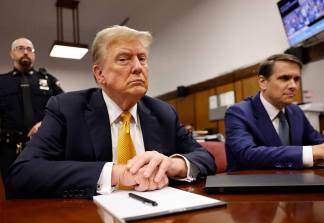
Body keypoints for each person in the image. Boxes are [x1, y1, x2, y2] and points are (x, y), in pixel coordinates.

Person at [6, 26, 215, 198]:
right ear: (99, 74)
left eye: (142, 58)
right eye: (124, 59)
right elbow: (22, 173)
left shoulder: (163, 112)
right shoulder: (66, 109)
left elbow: (205, 158)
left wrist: (172, 165)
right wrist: (116, 174)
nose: (137, 67)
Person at [224, 53, 324, 172]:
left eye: (296, 79)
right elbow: (247, 154)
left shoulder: (296, 111)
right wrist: (308, 152)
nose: (293, 86)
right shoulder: (238, 112)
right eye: (285, 78)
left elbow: (318, 142)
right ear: (263, 82)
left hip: (295, 181)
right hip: (252, 185)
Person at [0, 38, 63, 180]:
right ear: (11, 54)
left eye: (30, 49)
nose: (26, 52)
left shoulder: (49, 81)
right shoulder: (2, 82)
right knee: (13, 191)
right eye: (20, 48)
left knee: (45, 188)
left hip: (43, 146)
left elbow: (63, 110)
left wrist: (45, 123)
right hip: (9, 150)